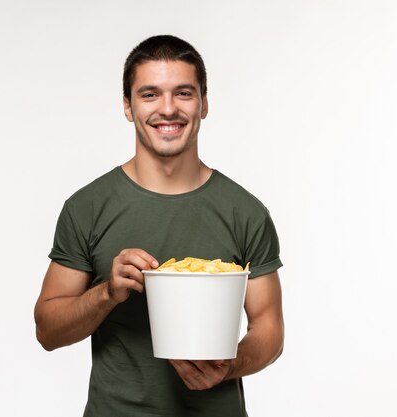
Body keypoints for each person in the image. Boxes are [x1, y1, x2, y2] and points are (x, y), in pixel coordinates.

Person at [34, 34, 284, 417]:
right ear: (127, 106)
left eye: (183, 93)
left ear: (204, 105)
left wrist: (228, 368)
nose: (168, 109)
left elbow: (269, 328)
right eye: (149, 94)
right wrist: (107, 293)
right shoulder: (87, 208)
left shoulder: (245, 212)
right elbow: (48, 330)